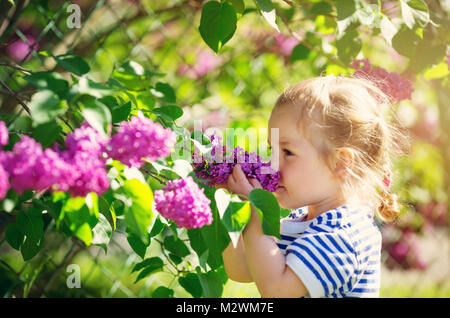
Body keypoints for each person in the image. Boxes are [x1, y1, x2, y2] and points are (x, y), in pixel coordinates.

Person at [220, 75, 408, 298]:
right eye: (272, 150)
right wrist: (234, 209)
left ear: (341, 163)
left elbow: (277, 291)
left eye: (288, 152)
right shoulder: (301, 220)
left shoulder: (342, 235)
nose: (272, 164)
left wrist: (256, 218)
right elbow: (241, 269)